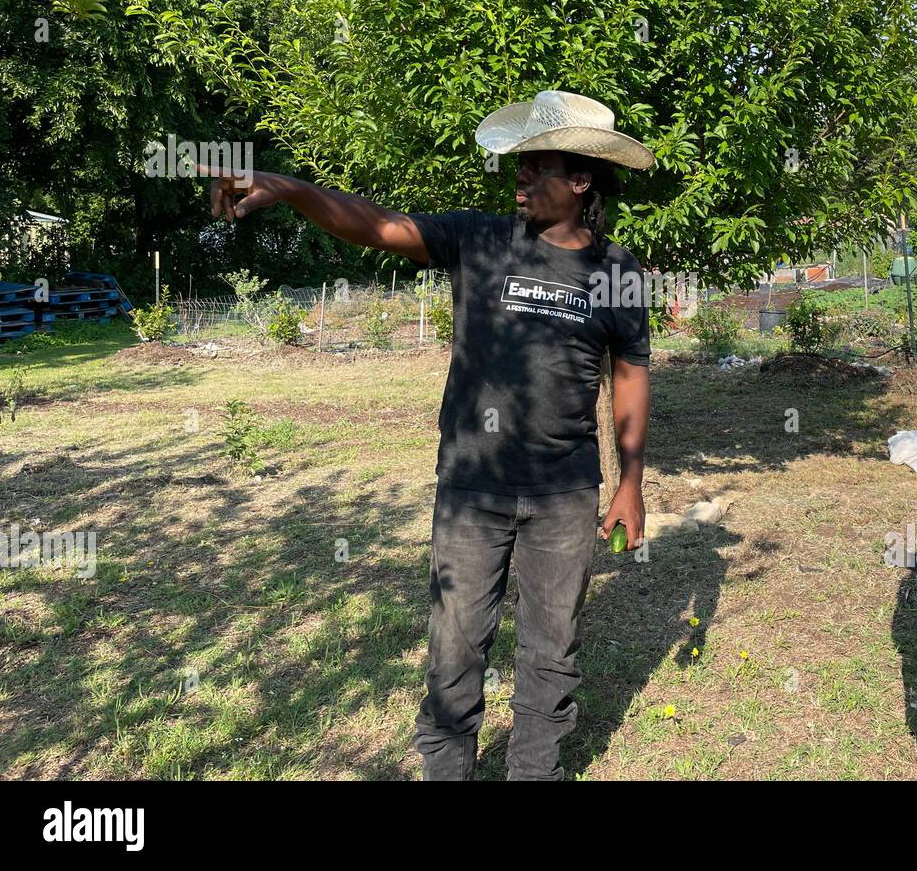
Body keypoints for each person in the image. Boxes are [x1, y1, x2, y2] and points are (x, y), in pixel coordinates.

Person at [206, 90, 654, 780]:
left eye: (536, 165)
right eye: (519, 163)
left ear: (581, 177)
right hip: (472, 489)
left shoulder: (618, 272)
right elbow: (379, 226)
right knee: (455, 650)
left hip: (565, 493)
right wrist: (292, 190)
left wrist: (630, 482)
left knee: (551, 653)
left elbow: (628, 372)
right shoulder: (477, 239)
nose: (520, 177)